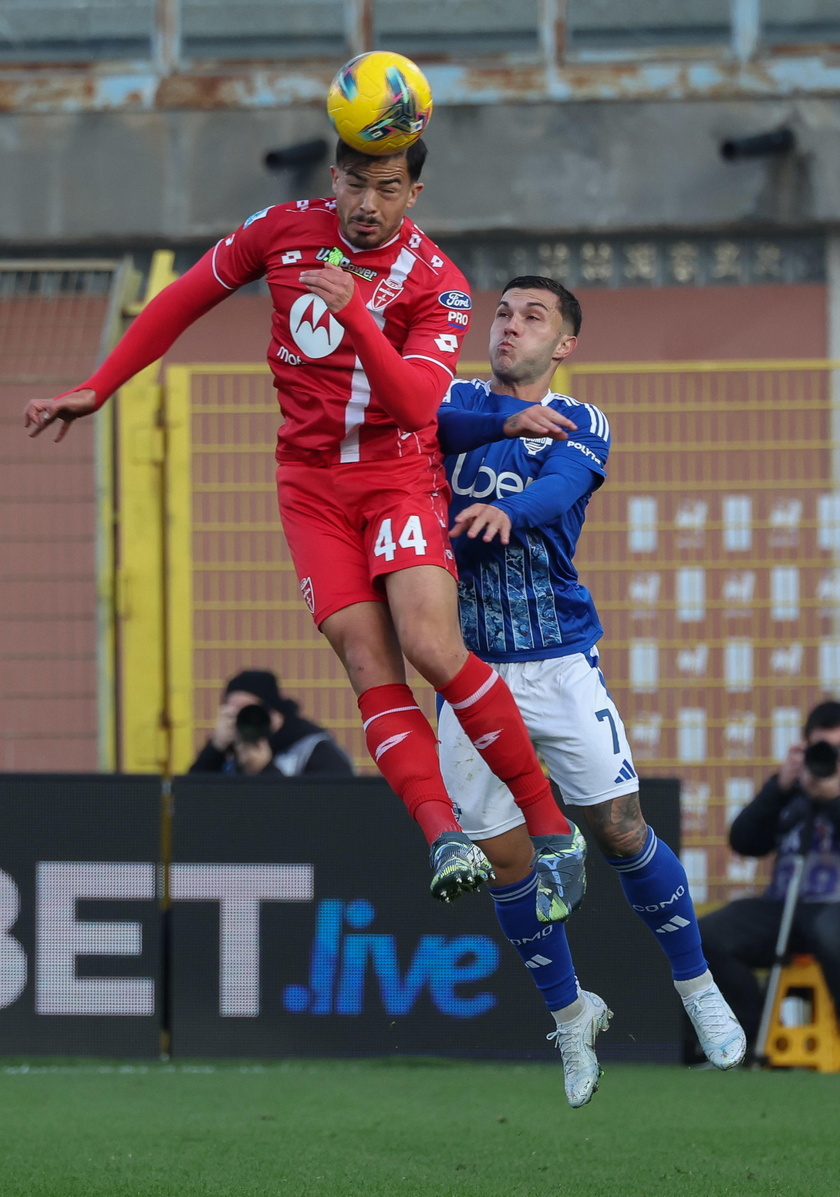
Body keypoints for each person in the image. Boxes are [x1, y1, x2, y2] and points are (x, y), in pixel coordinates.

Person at [24, 138, 585, 913]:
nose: (366, 204)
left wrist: (357, 315)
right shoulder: (281, 229)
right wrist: (100, 384)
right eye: (355, 183)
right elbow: (184, 297)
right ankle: (443, 835)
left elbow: (418, 407)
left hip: (395, 475)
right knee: (365, 659)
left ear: (412, 193)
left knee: (429, 644)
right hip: (311, 485)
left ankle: (553, 826)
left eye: (387, 188)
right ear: (333, 178)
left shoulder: (438, 285)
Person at [433, 274, 747, 1102]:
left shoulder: (584, 419)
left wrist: (515, 511)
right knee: (505, 858)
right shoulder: (452, 405)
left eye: (532, 316)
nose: (510, 326)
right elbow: (411, 432)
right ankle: (572, 1016)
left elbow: (563, 488)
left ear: (563, 344)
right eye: (502, 312)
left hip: (558, 659)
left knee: (617, 828)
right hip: (465, 667)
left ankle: (695, 984)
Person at [699, 700, 840, 1059]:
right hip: (783, 906)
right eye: (823, 748)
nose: (830, 758)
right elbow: (744, 841)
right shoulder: (791, 788)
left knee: (830, 932)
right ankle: (751, 1037)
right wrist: (780, 786)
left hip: (835, 909)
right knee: (705, 938)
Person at [189, 668, 354, 777]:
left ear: (274, 712)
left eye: (249, 711)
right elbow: (192, 801)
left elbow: (321, 811)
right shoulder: (230, 752)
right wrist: (215, 749)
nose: (243, 718)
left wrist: (264, 769)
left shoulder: (314, 750)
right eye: (234, 713)